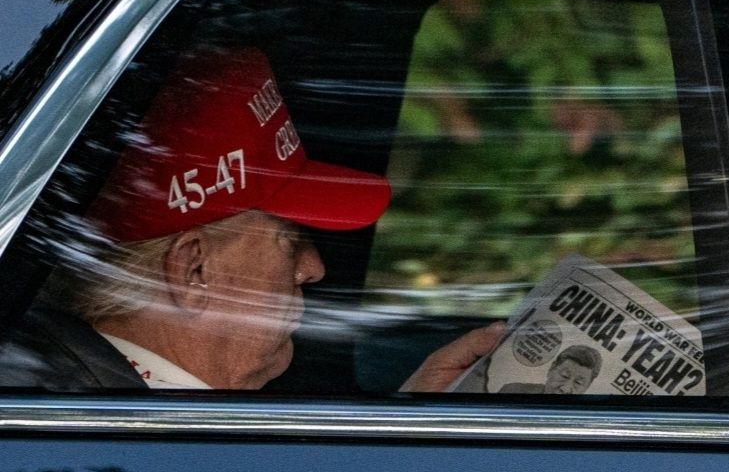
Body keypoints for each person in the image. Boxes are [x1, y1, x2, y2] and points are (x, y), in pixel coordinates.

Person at [0, 47, 503, 391]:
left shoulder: (102, 408)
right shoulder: (103, 430)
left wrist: (406, 426)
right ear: (193, 269)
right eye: (288, 239)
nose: (313, 268)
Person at [498, 345, 602, 394]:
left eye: (578, 383)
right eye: (564, 376)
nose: (565, 388)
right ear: (552, 369)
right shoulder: (512, 391)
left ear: (587, 387)